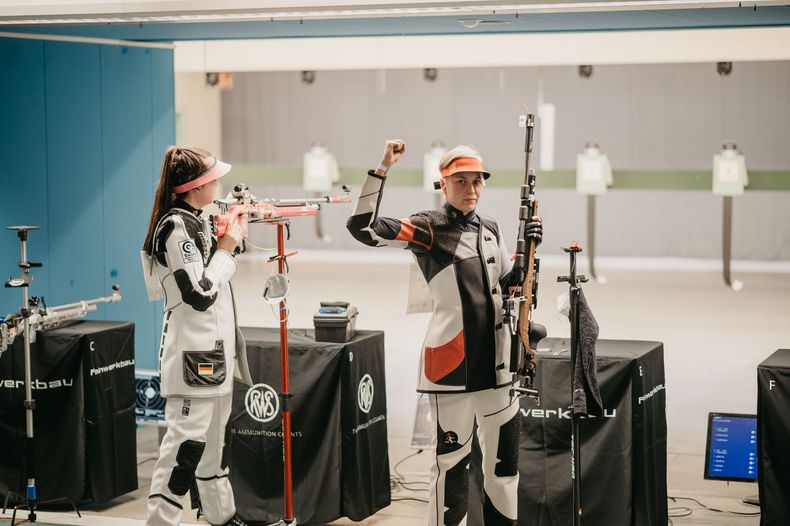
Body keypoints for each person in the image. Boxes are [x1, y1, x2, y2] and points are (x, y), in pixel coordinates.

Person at [347, 140, 543, 526]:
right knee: (451, 467)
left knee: (504, 469)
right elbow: (363, 227)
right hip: (451, 368)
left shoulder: (491, 230)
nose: (471, 189)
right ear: (443, 184)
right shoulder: (429, 228)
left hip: (500, 367)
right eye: (461, 181)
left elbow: (511, 285)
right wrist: (383, 167)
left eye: (477, 181)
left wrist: (532, 250)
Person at [142, 146, 252, 526]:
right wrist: (226, 248)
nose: (219, 185)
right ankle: (161, 522)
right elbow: (200, 294)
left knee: (214, 449)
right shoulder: (175, 226)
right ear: (195, 186)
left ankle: (221, 517)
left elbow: (214, 275)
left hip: (215, 355)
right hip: (193, 356)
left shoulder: (196, 220)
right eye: (213, 179)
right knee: (184, 449)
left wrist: (228, 240)